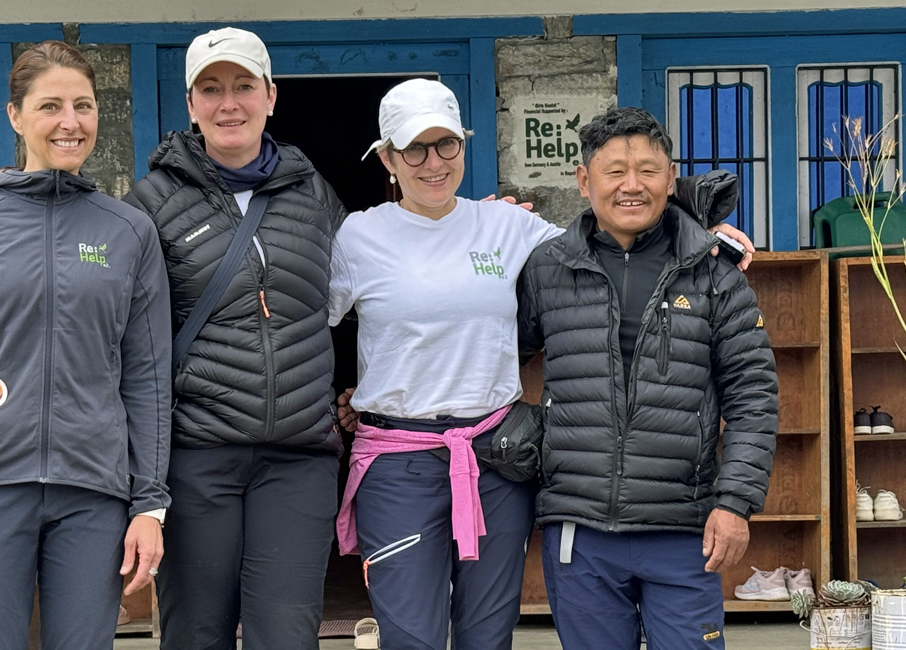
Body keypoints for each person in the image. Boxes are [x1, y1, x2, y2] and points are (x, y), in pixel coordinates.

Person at [0, 40, 172, 650]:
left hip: (94, 495)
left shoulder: (128, 230)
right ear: (16, 116)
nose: (70, 122)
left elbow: (148, 376)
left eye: (83, 105)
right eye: (50, 106)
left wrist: (148, 505)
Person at [516, 106, 778, 649]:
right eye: (614, 171)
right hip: (580, 528)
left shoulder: (713, 273)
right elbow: (493, 358)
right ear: (584, 180)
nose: (631, 185)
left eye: (648, 171)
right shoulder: (546, 268)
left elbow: (753, 394)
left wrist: (735, 503)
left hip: (684, 527)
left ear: (671, 178)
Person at [122, 27, 346, 650]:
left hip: (299, 456)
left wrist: (481, 227)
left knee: (287, 634)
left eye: (244, 86)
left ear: (270, 96)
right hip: (197, 454)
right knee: (197, 633)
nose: (229, 104)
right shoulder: (150, 202)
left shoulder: (313, 193)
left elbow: (367, 291)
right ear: (190, 104)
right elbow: (125, 336)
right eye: (211, 89)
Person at [328, 78, 563, 650]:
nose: (433, 163)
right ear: (387, 159)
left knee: (488, 636)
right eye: (414, 149)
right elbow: (305, 326)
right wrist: (334, 397)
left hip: (496, 461)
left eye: (446, 145)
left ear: (463, 145)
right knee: (412, 639)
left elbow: (605, 245)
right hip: (397, 465)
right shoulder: (358, 236)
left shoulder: (507, 226)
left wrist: (692, 222)